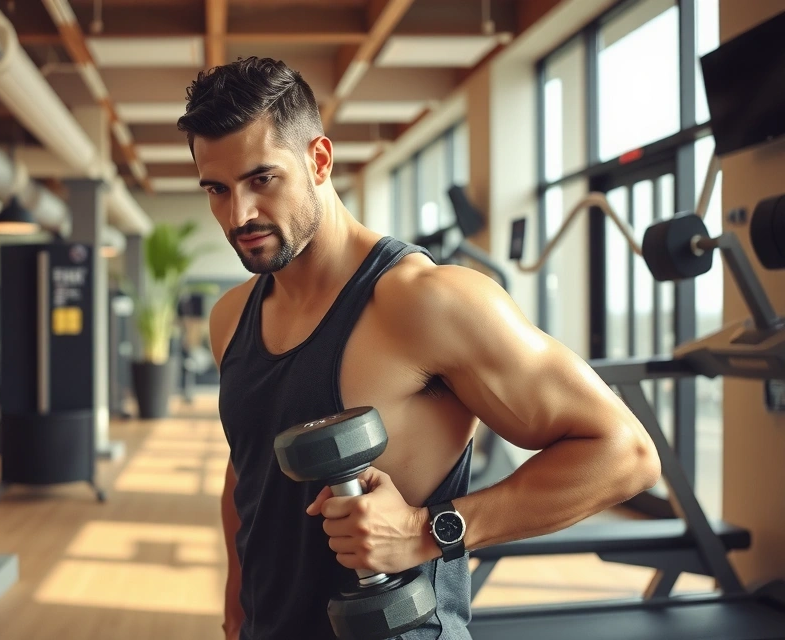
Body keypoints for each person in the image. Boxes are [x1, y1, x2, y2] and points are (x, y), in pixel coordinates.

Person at [176, 57, 662, 640]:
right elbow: (247, 472)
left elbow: (625, 454)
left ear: (319, 160)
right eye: (217, 189)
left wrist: (429, 531)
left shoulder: (426, 302)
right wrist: (235, 616)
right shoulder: (232, 317)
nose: (239, 214)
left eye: (261, 179)